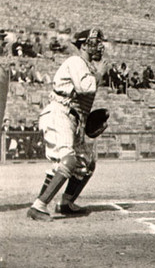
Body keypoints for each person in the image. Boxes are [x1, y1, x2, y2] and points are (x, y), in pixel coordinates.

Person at [27, 28, 108, 222]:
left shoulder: (88, 67)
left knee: (86, 163)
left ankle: (66, 203)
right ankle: (38, 206)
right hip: (59, 112)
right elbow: (84, 87)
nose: (98, 45)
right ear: (83, 44)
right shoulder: (76, 61)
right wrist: (101, 74)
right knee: (68, 161)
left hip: (73, 118)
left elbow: (82, 100)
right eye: (94, 41)